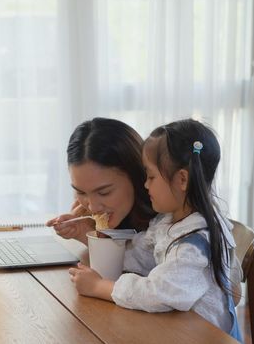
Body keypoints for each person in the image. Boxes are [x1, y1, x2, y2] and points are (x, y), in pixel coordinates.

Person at [68, 119, 243, 340]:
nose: (145, 184)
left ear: (182, 179)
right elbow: (141, 255)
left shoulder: (194, 243)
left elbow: (160, 293)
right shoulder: (168, 222)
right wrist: (90, 236)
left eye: (150, 177)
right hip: (176, 331)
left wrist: (100, 287)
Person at [46, 118, 156, 245]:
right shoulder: (91, 215)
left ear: (137, 176)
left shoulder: (167, 224)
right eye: (81, 192)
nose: (93, 207)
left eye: (104, 192)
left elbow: (141, 261)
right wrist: (86, 233)